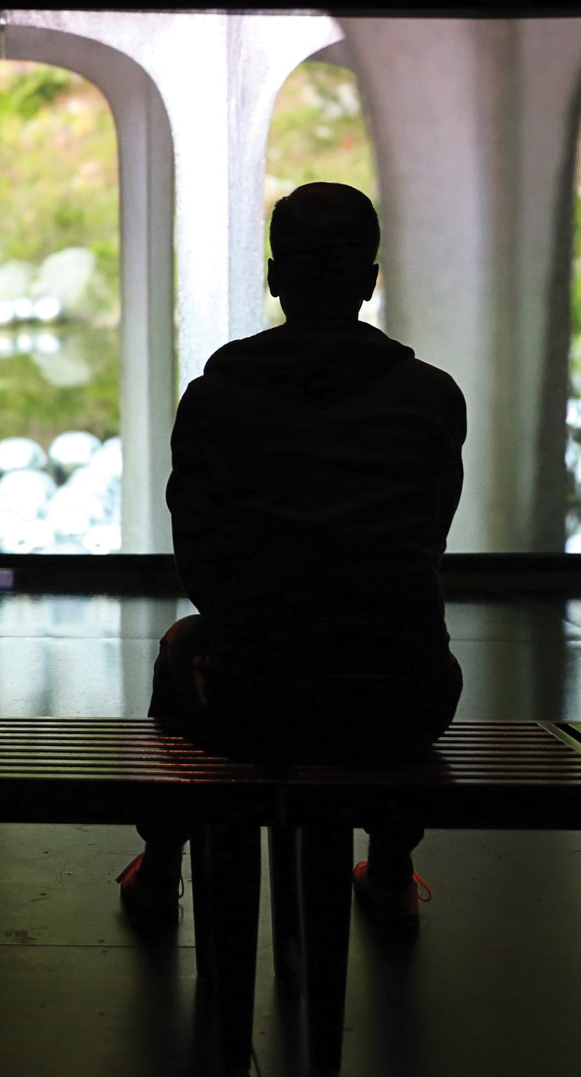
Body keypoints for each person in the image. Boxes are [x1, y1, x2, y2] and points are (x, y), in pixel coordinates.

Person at [114, 181, 467, 928]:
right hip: (402, 700)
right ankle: (393, 867)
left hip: (254, 695)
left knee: (183, 645)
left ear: (275, 279)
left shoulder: (215, 397)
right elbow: (426, 543)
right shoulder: (432, 396)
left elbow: (200, 567)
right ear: (369, 283)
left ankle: (160, 866)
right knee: (415, 648)